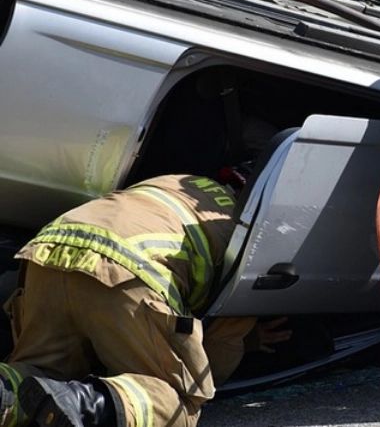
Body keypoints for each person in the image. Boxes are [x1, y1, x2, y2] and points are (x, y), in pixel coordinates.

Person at [0, 173, 291, 427]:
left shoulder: (185, 183)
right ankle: (84, 404)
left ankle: (5, 393)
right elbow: (212, 361)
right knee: (178, 402)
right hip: (123, 271)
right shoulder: (248, 234)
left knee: (43, 373)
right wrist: (244, 342)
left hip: (48, 255)